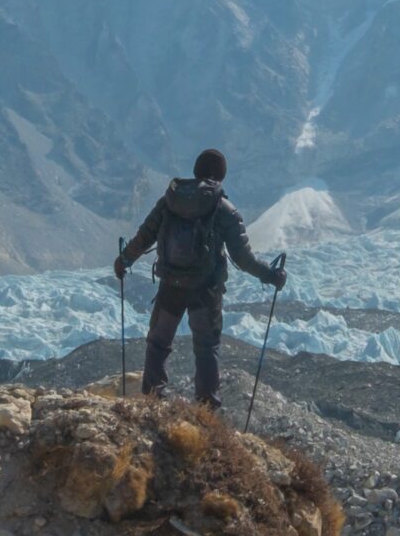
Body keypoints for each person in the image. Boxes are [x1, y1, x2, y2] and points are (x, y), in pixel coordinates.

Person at [113, 148, 283, 407]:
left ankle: (152, 401)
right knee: (206, 348)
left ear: (195, 171)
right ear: (221, 176)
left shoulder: (170, 200)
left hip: (171, 284)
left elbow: (145, 235)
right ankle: (206, 412)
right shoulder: (224, 208)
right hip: (206, 290)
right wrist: (271, 275)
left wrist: (124, 260)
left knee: (158, 343)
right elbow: (243, 258)